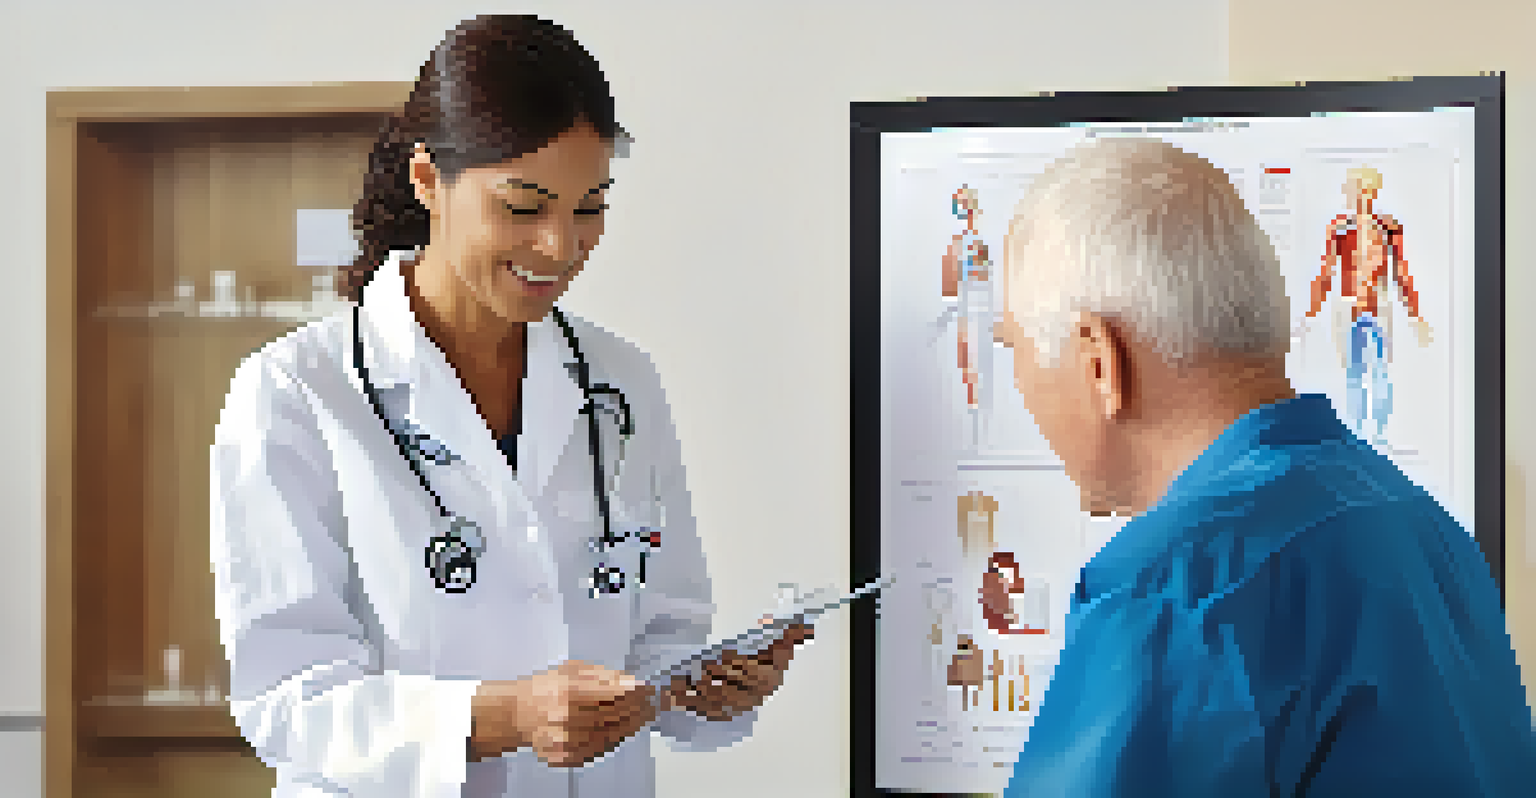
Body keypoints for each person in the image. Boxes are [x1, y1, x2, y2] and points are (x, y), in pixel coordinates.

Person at [208, 15, 808, 798]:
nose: (561, 246)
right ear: (428, 180)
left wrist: (704, 685)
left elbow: (658, 637)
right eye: (524, 207)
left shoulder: (622, 383)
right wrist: (505, 717)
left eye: (590, 207)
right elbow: (287, 700)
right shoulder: (295, 391)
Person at [993, 137, 1536, 796]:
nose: (1020, 385)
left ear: (1097, 360)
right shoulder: (1424, 529)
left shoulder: (1178, 589)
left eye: (1012, 347)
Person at [1298, 165, 1432, 446]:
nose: (1358, 194)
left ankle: (1379, 437)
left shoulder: (1388, 228)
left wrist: (1415, 315)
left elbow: (1401, 273)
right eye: (1354, 188)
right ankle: (1358, 437)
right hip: (1348, 308)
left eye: (1364, 188)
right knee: (1353, 375)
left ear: (1373, 191)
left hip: (1378, 306)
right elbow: (1326, 273)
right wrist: (1309, 315)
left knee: (1380, 372)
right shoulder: (1339, 228)